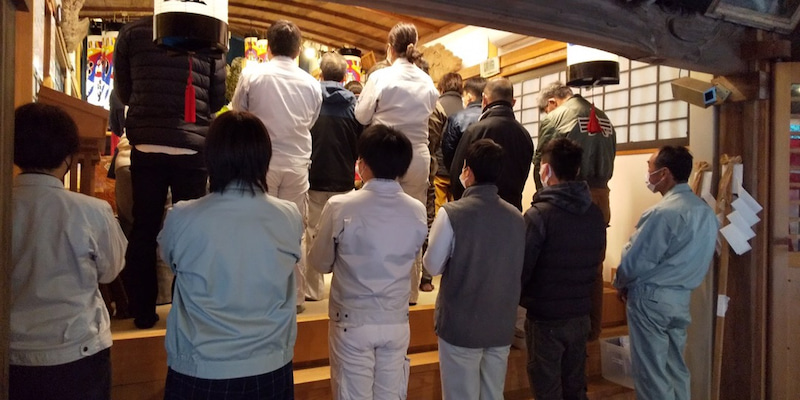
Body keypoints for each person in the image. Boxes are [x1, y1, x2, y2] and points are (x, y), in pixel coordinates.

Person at [158, 111, 302, 399]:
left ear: (211, 157)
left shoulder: (183, 216)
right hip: (270, 364)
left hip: (201, 367)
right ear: (264, 158)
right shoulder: (288, 216)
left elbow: (168, 259)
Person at [114, 15, 227, 329]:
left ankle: (143, 311)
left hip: (147, 143)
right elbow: (217, 98)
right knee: (191, 232)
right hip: (192, 145)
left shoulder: (132, 32)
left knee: (144, 229)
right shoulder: (210, 29)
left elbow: (123, 91)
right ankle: (185, 308)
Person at [10, 103, 127, 400]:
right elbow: (112, 270)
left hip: (10, 352)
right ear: (68, 156)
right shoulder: (92, 211)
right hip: (78, 352)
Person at [308, 125, 427, 400]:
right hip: (396, 319)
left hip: (352, 320)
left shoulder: (340, 206)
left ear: (363, 164)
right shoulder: (417, 210)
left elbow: (320, 262)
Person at [231, 19, 323, 312]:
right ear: (298, 50)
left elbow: (238, 113)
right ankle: (295, 297)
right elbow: (311, 121)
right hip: (297, 163)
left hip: (261, 161)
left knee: (259, 227)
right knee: (293, 229)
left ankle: (259, 295)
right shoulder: (312, 84)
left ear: (268, 47)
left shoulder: (253, 75)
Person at [613, 146, 718, 400]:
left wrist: (620, 282)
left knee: (652, 376)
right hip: (681, 298)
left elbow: (636, 260)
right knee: (675, 369)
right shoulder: (705, 212)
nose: (647, 172)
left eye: (650, 167)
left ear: (664, 173)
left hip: (651, 298)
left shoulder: (662, 213)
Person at [424, 139, 525, 400]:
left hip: (461, 324)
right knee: (493, 394)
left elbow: (431, 265)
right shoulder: (516, 217)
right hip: (500, 323)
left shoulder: (452, 213)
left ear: (467, 171)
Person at [355, 22, 438, 305]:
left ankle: (379, 286)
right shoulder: (427, 82)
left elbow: (361, 115)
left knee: (379, 218)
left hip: (385, 153)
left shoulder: (381, 77)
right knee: (412, 220)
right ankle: (411, 292)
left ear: (390, 49)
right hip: (417, 156)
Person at [520, 138, 606, 400]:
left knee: (547, 390)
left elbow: (522, 270)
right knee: (575, 388)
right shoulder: (594, 214)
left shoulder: (538, 215)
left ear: (546, 170)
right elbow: (596, 263)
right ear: (577, 170)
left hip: (545, 319)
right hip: (580, 315)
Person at [534, 81, 616, 341]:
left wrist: (541, 198)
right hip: (601, 196)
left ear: (551, 102)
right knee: (593, 265)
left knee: (558, 262)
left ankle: (559, 332)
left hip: (567, 197)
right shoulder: (603, 116)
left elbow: (542, 160)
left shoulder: (556, 117)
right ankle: (592, 331)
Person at [304, 52, 364, 301]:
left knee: (311, 233)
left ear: (320, 73)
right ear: (344, 76)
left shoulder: (310, 101)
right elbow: (361, 145)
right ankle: (345, 287)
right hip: (344, 179)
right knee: (346, 236)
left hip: (314, 177)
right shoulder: (355, 107)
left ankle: (312, 290)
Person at [449, 77, 534, 211]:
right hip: (511, 210)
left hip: (476, 210)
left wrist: (462, 204)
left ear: (484, 99)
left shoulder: (474, 131)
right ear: (513, 102)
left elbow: (457, 175)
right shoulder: (525, 135)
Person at [432, 72, 464, 213]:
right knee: (456, 209)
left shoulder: (436, 106)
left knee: (438, 208)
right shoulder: (465, 108)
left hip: (438, 167)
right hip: (458, 169)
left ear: (441, 88)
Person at [441, 76, 486, 172]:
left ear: (469, 97)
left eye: (464, 95)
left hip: (463, 172)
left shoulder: (457, 118)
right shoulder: (493, 116)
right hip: (489, 173)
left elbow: (448, 150)